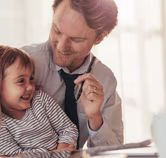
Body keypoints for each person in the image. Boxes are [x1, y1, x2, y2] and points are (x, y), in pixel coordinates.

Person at [21, 0, 124, 148]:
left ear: (99, 38)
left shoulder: (104, 79)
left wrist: (95, 119)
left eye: (76, 39)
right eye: (57, 30)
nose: (62, 46)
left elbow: (115, 152)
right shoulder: (21, 65)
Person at [0, 46, 78, 157]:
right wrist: (51, 154)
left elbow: (68, 128)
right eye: (21, 81)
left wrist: (62, 149)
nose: (30, 87)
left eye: (31, 78)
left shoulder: (40, 99)